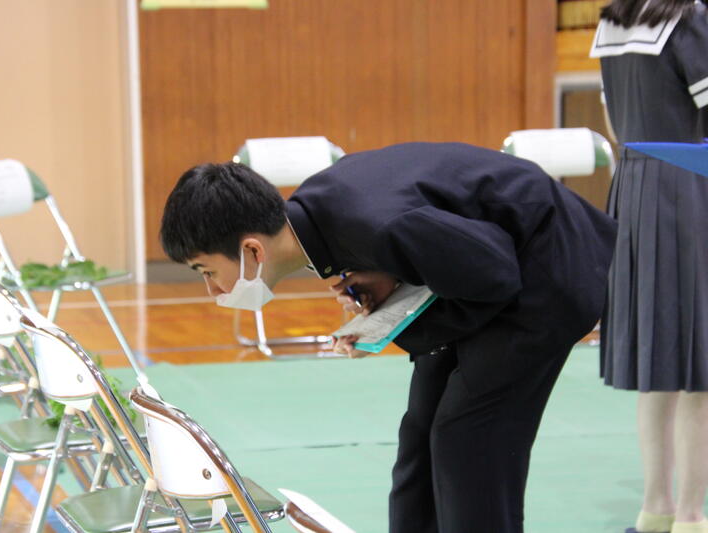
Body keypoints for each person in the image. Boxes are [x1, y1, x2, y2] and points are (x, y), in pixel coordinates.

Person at [159, 142, 617, 533]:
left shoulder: (380, 225)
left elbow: (496, 275)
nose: (212, 290)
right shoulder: (320, 215)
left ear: (252, 250)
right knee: (420, 430)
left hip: (549, 267)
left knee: (467, 437)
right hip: (485, 272)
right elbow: (443, 252)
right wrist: (389, 279)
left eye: (206, 271)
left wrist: (395, 326)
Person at [592, 1, 708, 532]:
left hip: (635, 187)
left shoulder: (612, 20)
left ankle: (656, 511)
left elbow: (613, 121)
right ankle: (692, 517)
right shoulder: (689, 19)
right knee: (699, 371)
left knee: (659, 364)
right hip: (691, 187)